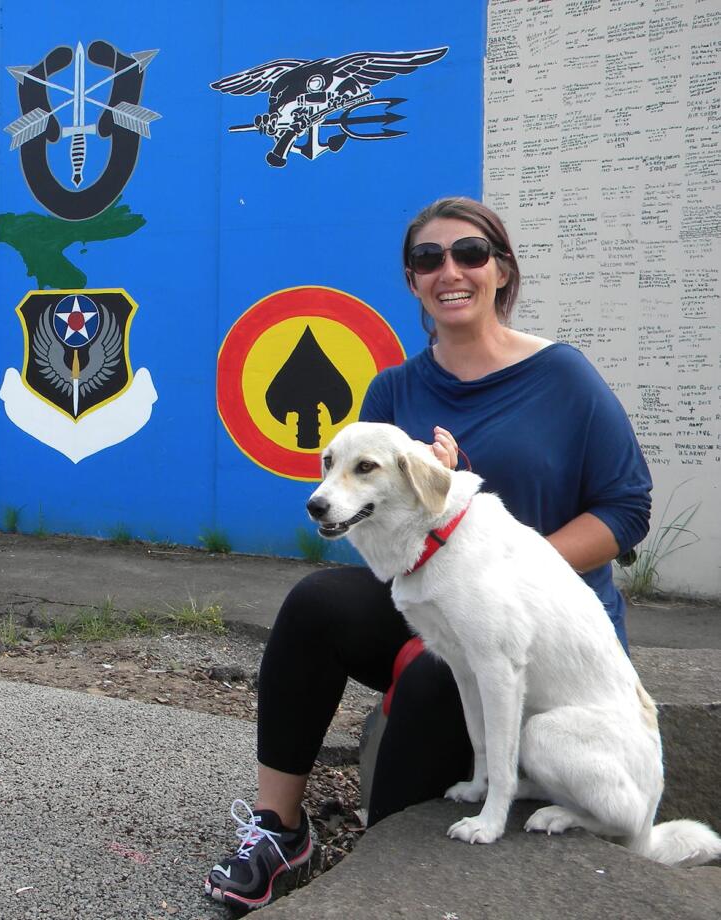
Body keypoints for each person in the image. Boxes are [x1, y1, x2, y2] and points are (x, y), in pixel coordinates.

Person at [203, 196, 653, 911]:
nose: (451, 270)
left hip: (542, 623)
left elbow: (627, 510)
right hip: (435, 603)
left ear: (501, 270)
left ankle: (394, 878)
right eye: (427, 258)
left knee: (424, 699)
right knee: (315, 605)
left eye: (470, 253)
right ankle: (279, 827)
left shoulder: (563, 377)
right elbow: (372, 519)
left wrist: (509, 566)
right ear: (412, 280)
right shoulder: (396, 392)